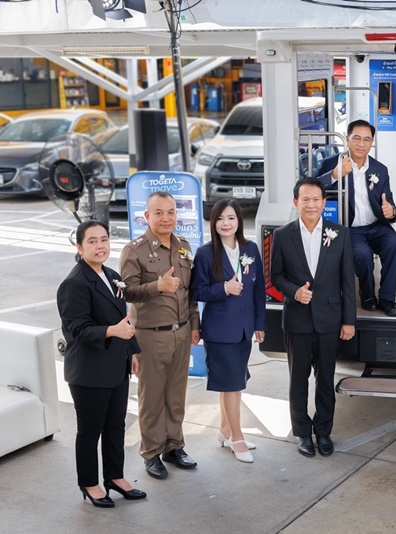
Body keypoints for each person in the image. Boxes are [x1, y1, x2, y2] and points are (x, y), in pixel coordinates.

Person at [57, 221, 147, 508]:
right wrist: (111, 331)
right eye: (92, 241)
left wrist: (132, 351)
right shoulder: (74, 284)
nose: (100, 246)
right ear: (79, 247)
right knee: (90, 431)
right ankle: (89, 483)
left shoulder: (111, 275)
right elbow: (76, 331)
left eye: (104, 239)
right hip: (89, 371)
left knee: (115, 426)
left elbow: (123, 321)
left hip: (116, 365)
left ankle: (115, 477)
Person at [271, 177, 356, 458]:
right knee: (298, 380)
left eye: (316, 199)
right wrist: (294, 292)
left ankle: (323, 431)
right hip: (297, 319)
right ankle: (302, 433)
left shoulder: (340, 233)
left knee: (325, 379)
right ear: (296, 203)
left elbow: (347, 281)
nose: (311, 204)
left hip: (329, 318)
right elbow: (276, 277)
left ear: (324, 202)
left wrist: (349, 320)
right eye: (305, 199)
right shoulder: (283, 235)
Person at [120, 191, 201, 480]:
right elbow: (126, 291)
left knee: (176, 395)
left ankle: (174, 446)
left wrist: (194, 324)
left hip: (182, 332)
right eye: (159, 212)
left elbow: (189, 291)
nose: (166, 218)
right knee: (152, 397)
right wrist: (158, 287)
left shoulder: (183, 246)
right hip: (151, 336)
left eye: (171, 212)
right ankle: (152, 451)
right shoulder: (134, 250)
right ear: (147, 216)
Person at [190, 199, 266, 464]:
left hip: (244, 329)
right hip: (219, 331)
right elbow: (197, 291)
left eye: (231, 218)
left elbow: (259, 289)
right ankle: (237, 437)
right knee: (232, 384)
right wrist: (224, 288)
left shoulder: (250, 248)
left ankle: (225, 430)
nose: (226, 223)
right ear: (213, 222)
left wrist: (259, 323)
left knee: (232, 383)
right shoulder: (205, 253)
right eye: (220, 218)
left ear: (239, 221)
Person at [319, 119, 396, 317]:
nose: (361, 144)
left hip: (375, 225)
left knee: (395, 244)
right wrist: (334, 175)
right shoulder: (331, 163)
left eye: (367, 139)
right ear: (347, 138)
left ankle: (387, 298)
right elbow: (311, 187)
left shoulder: (380, 169)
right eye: (356, 138)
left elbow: (388, 201)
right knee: (362, 255)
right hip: (349, 228)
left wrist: (391, 212)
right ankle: (367, 295)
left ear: (372, 142)